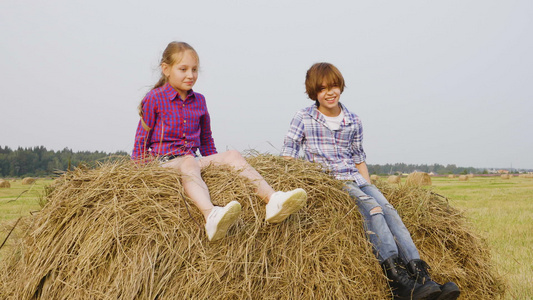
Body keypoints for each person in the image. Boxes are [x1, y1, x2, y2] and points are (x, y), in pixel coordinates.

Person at [281, 62, 460, 300]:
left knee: (389, 211)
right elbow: (289, 154)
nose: (329, 92)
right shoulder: (303, 117)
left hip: (355, 178)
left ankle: (421, 276)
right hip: (330, 181)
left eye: (333, 86)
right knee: (373, 210)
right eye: (322, 89)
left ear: (340, 86)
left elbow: (358, 159)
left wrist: (369, 186)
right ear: (314, 93)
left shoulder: (353, 120)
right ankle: (397, 280)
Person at [132, 41, 307, 242]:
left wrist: (217, 164)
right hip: (163, 163)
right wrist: (139, 175)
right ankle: (210, 215)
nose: (191, 75)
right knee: (189, 161)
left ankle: (273, 199)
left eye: (194, 70)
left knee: (232, 155)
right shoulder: (154, 98)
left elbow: (206, 139)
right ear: (166, 69)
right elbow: (141, 139)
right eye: (183, 69)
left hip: (192, 160)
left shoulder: (199, 101)